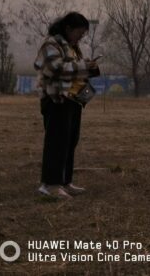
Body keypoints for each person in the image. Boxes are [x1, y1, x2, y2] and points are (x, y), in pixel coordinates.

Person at [34, 12, 100, 199]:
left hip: (73, 100)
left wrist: (89, 67)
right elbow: (56, 69)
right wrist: (83, 66)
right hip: (57, 100)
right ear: (68, 28)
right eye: (79, 32)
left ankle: (64, 181)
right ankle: (50, 184)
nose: (81, 37)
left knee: (70, 142)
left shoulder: (72, 47)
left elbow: (75, 70)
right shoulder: (51, 45)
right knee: (56, 143)